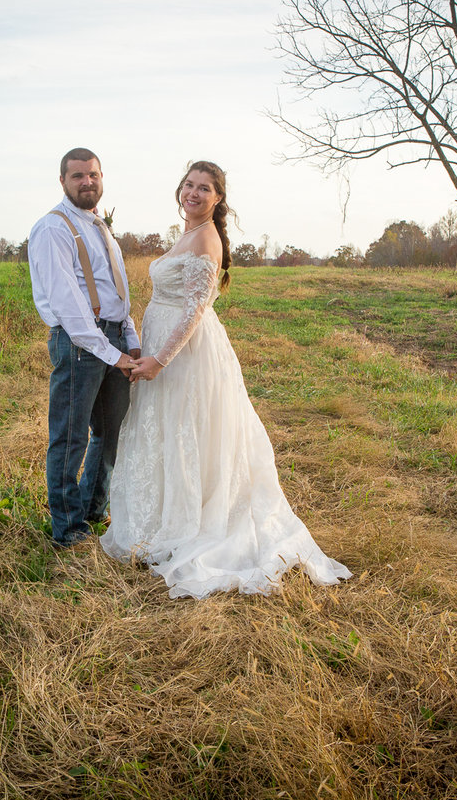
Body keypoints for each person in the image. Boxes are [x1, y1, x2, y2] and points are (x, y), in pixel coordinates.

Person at [101, 161, 351, 598]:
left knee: (187, 429)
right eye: (189, 185)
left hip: (185, 354)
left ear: (218, 199)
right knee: (166, 428)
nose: (193, 193)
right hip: (163, 344)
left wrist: (159, 359)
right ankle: (162, 516)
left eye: (204, 188)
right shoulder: (186, 233)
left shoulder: (205, 238)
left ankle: (193, 521)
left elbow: (195, 311)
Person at [29, 148, 141, 547]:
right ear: (62, 181)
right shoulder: (52, 228)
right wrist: (112, 352)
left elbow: (116, 291)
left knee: (110, 434)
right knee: (70, 438)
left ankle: (93, 511)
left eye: (92, 174)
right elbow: (68, 305)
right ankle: (68, 529)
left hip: (113, 339)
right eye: (77, 176)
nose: (86, 182)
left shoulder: (100, 227)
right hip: (80, 344)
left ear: (101, 177)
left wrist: (130, 341)